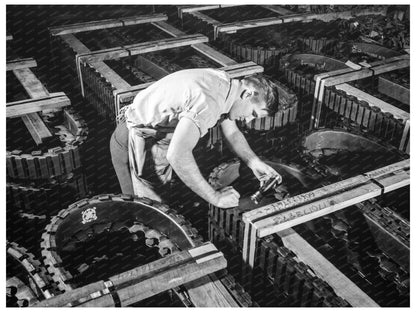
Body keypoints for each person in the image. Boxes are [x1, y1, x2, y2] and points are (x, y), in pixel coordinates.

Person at [110, 68, 282, 209]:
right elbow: (178, 154)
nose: (249, 119)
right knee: (151, 214)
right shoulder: (209, 102)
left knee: (154, 204)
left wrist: (253, 162)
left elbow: (232, 132)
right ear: (247, 95)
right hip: (132, 143)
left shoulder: (225, 84)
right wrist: (216, 198)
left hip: (150, 136)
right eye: (253, 113)